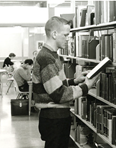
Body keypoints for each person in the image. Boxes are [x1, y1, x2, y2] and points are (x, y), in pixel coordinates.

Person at [32, 16, 99, 148]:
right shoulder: (46, 57)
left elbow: (54, 84)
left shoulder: (53, 55)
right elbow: (59, 94)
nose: (68, 39)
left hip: (56, 116)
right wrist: (86, 86)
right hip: (54, 118)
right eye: (66, 35)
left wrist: (74, 81)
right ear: (54, 34)